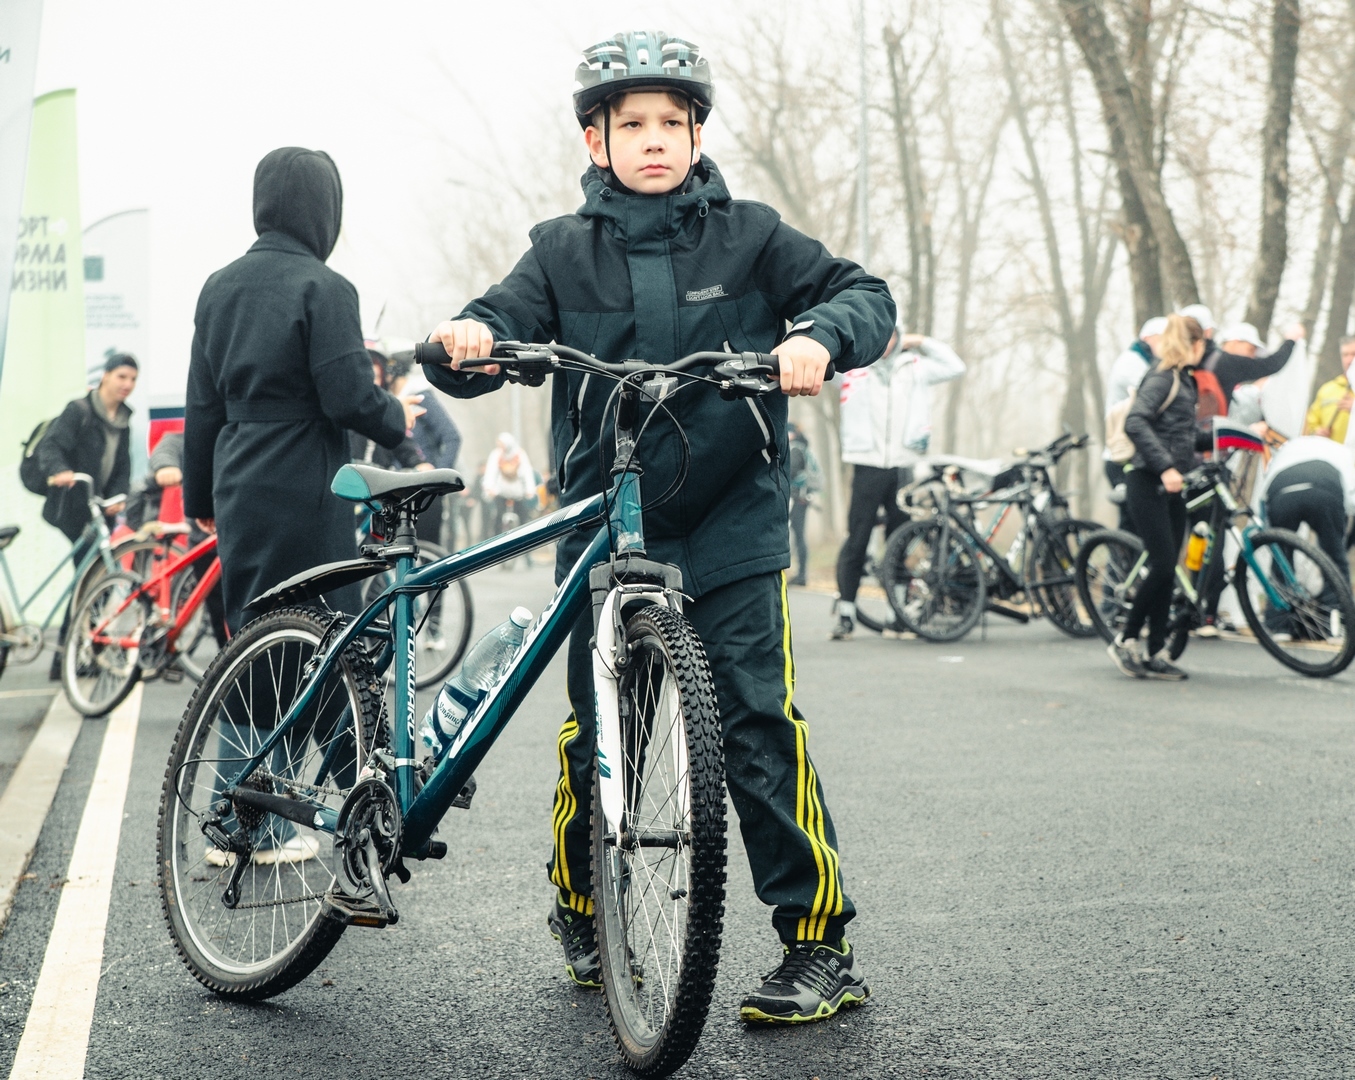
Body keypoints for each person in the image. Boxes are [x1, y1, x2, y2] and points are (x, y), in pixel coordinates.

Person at [420, 29, 894, 1025]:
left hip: (731, 521)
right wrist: (464, 341)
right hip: (606, 525)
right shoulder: (559, 251)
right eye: (628, 124)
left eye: (670, 124)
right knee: (601, 731)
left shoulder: (753, 236)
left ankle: (816, 945)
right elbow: (494, 326)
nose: (651, 140)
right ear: (594, 140)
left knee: (758, 726)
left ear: (694, 135)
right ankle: (585, 907)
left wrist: (816, 335)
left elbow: (863, 296)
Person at [184, 147, 423, 634]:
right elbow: (348, 396)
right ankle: (327, 714)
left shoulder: (217, 287)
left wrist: (199, 501)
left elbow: (203, 404)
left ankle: (244, 713)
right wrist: (396, 416)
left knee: (255, 622)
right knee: (321, 620)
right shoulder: (325, 287)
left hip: (237, 479)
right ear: (323, 209)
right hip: (303, 478)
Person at [831, 325, 964, 638]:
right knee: (857, 539)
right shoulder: (854, 368)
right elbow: (824, 365)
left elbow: (956, 366)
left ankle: (897, 614)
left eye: (893, 335)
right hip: (866, 463)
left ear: (899, 338)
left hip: (903, 464)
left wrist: (922, 341)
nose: (887, 341)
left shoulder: (915, 368)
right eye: (881, 334)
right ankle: (846, 615)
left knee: (899, 540)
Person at [1108, 314, 1210, 681]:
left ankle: (1155, 652)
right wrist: (1166, 466)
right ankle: (1126, 638)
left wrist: (1225, 440)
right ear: (1192, 344)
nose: (1206, 350)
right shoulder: (1162, 376)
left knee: (1168, 571)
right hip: (1147, 479)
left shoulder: (1185, 380)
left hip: (1172, 483)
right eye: (1203, 343)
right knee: (1164, 564)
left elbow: (1183, 434)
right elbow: (1137, 421)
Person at [35, 353, 136, 678]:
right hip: (73, 507)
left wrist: (119, 496)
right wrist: (60, 470)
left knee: (97, 580)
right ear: (105, 376)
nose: (128, 385)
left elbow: (122, 466)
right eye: (122, 376)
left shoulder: (123, 419)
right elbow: (50, 446)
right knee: (88, 578)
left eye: (133, 379)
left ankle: (76, 654)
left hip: (99, 509)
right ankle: (67, 658)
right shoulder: (78, 410)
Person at [125, 430, 229, 649]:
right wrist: (166, 466)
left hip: (237, 534)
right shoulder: (201, 437)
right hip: (207, 537)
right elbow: (170, 445)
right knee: (221, 615)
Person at [1254, 435, 1355, 616]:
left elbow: (1266, 485)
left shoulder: (1290, 445)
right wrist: (1341, 542)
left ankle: (1279, 623)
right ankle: (1338, 618)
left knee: (1281, 556)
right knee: (1334, 557)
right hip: (1325, 491)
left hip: (1282, 490)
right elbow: (1351, 499)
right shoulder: (1343, 453)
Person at [1180, 305, 1305, 415]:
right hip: (1206, 435)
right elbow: (1272, 364)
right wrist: (1291, 339)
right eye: (1250, 349)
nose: (1251, 356)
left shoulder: (1173, 360)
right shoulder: (1228, 363)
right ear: (1208, 331)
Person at [1103, 317, 1166, 530]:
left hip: (1132, 454)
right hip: (1122, 456)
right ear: (1148, 338)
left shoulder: (1144, 362)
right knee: (1133, 523)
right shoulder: (1132, 363)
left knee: (1137, 523)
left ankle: (1125, 561)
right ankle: (1123, 562)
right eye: (1163, 339)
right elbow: (1156, 396)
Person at [480, 432, 537, 539]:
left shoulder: (519, 454)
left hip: (517, 493)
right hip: (501, 493)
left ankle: (523, 544)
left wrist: (529, 490)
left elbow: (527, 472)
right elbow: (491, 472)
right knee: (498, 517)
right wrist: (489, 489)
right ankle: (496, 542)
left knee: (523, 519)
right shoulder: (496, 454)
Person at [787, 421, 821, 586]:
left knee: (798, 536)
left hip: (797, 499)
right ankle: (800, 573)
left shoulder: (794, 450)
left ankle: (801, 575)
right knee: (798, 535)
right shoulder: (803, 448)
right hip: (803, 499)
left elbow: (790, 473)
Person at [1304, 335, 1354, 444]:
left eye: (1354, 354)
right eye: (1345, 355)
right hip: (1330, 456)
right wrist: (1316, 432)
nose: (1350, 360)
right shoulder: (1327, 389)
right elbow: (1309, 424)